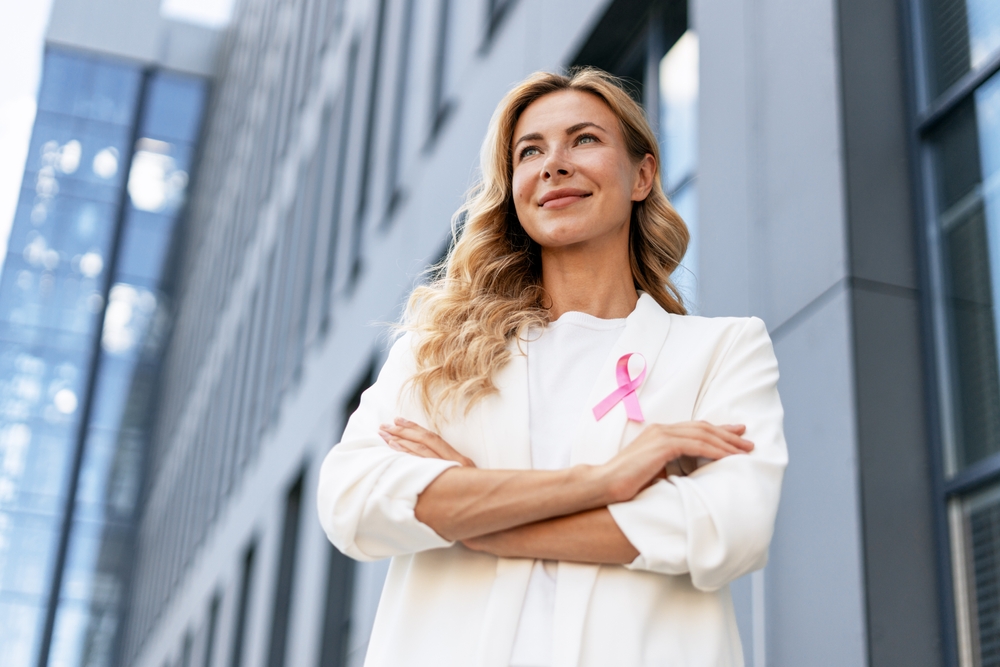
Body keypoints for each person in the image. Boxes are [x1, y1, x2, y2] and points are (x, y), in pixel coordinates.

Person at [317, 67, 787, 667]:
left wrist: (473, 506)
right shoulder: (438, 352)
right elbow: (350, 500)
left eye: (584, 140)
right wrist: (602, 483)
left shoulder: (721, 351)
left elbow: (730, 527)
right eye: (530, 151)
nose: (553, 164)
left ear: (642, 175)